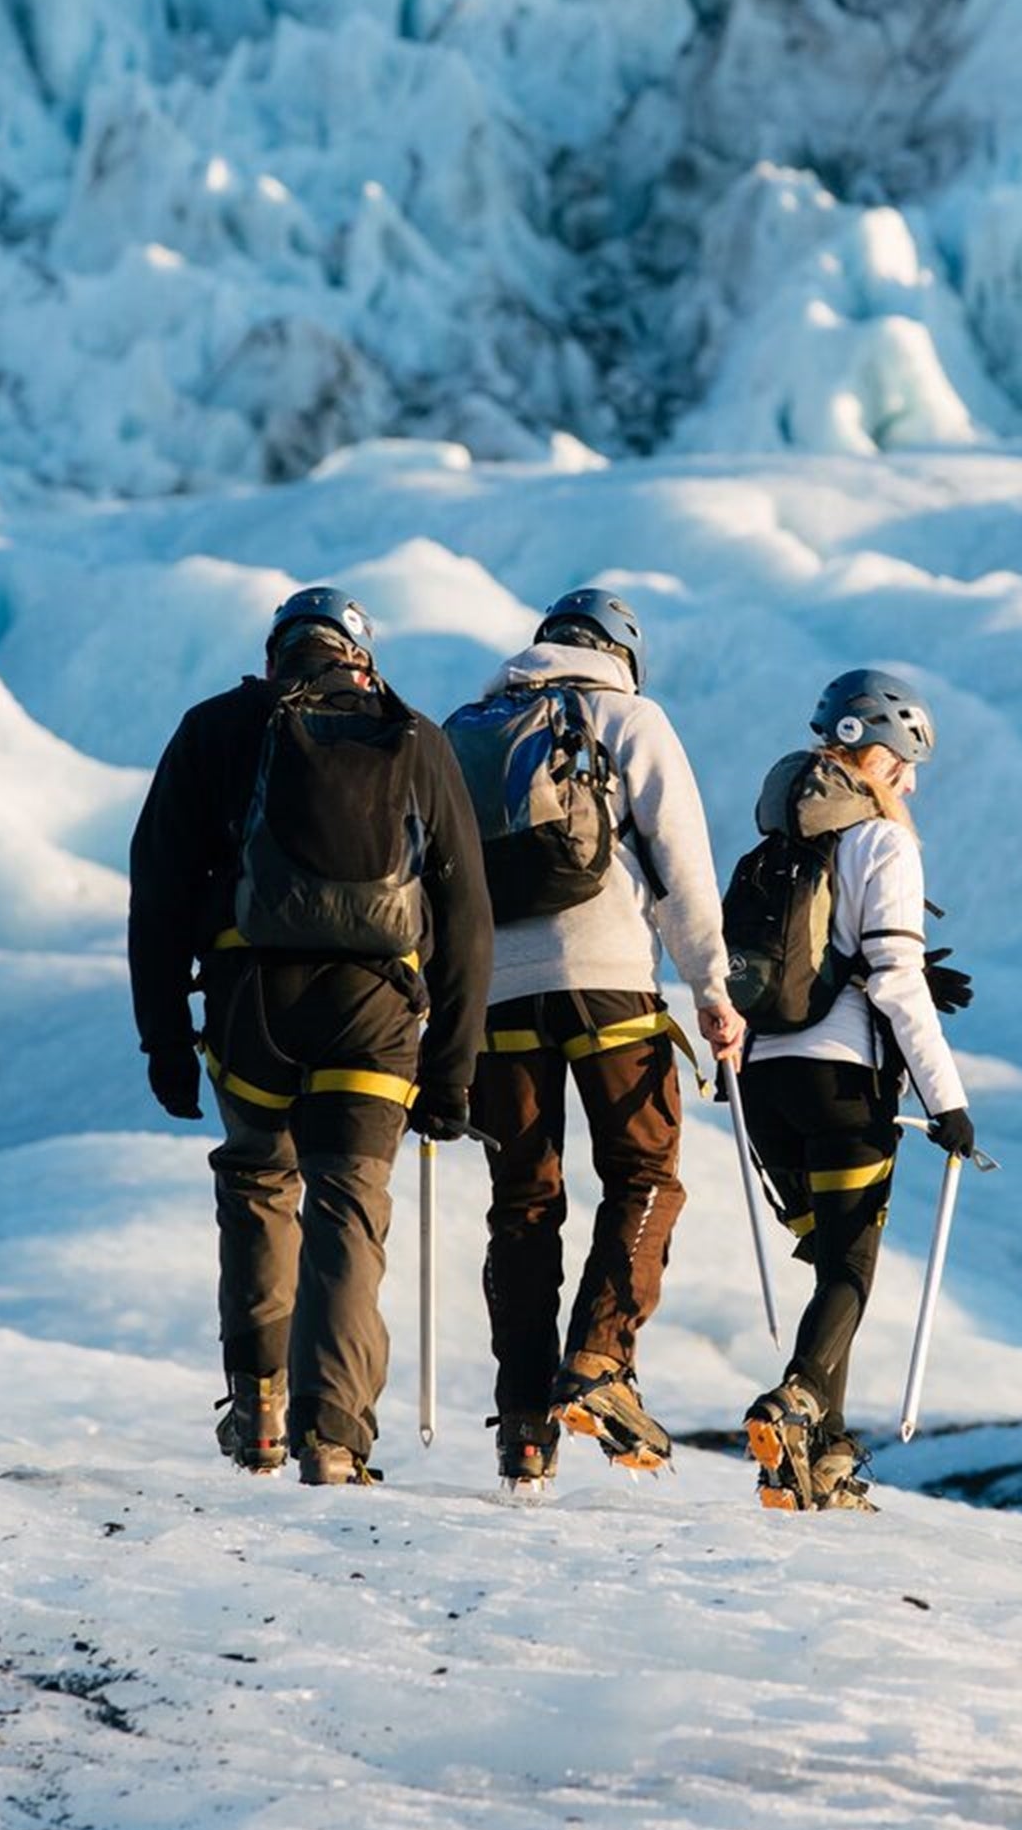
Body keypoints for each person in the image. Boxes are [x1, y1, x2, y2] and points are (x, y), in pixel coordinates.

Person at [127, 586, 491, 1486]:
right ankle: (333, 1441)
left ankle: (258, 1410)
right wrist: (451, 1070)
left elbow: (158, 892)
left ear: (274, 656)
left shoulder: (216, 727)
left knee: (259, 1183)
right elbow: (468, 912)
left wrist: (164, 1037)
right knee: (348, 1209)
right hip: (375, 1012)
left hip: (253, 1002)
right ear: (361, 658)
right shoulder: (412, 736)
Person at [462, 587, 745, 1489]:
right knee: (646, 1175)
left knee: (523, 1201)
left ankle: (524, 1430)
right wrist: (711, 988)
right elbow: (681, 863)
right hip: (609, 981)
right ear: (622, 654)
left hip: (496, 1000)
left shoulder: (466, 727)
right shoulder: (630, 716)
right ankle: (599, 1364)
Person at [736, 669, 977, 1513]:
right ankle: (797, 1402)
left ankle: (819, 1465)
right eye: (905, 766)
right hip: (844, 1084)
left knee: (830, 1263)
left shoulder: (771, 848)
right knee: (852, 1267)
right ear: (870, 755)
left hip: (766, 1087)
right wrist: (949, 1104)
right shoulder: (884, 845)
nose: (910, 786)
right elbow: (896, 983)